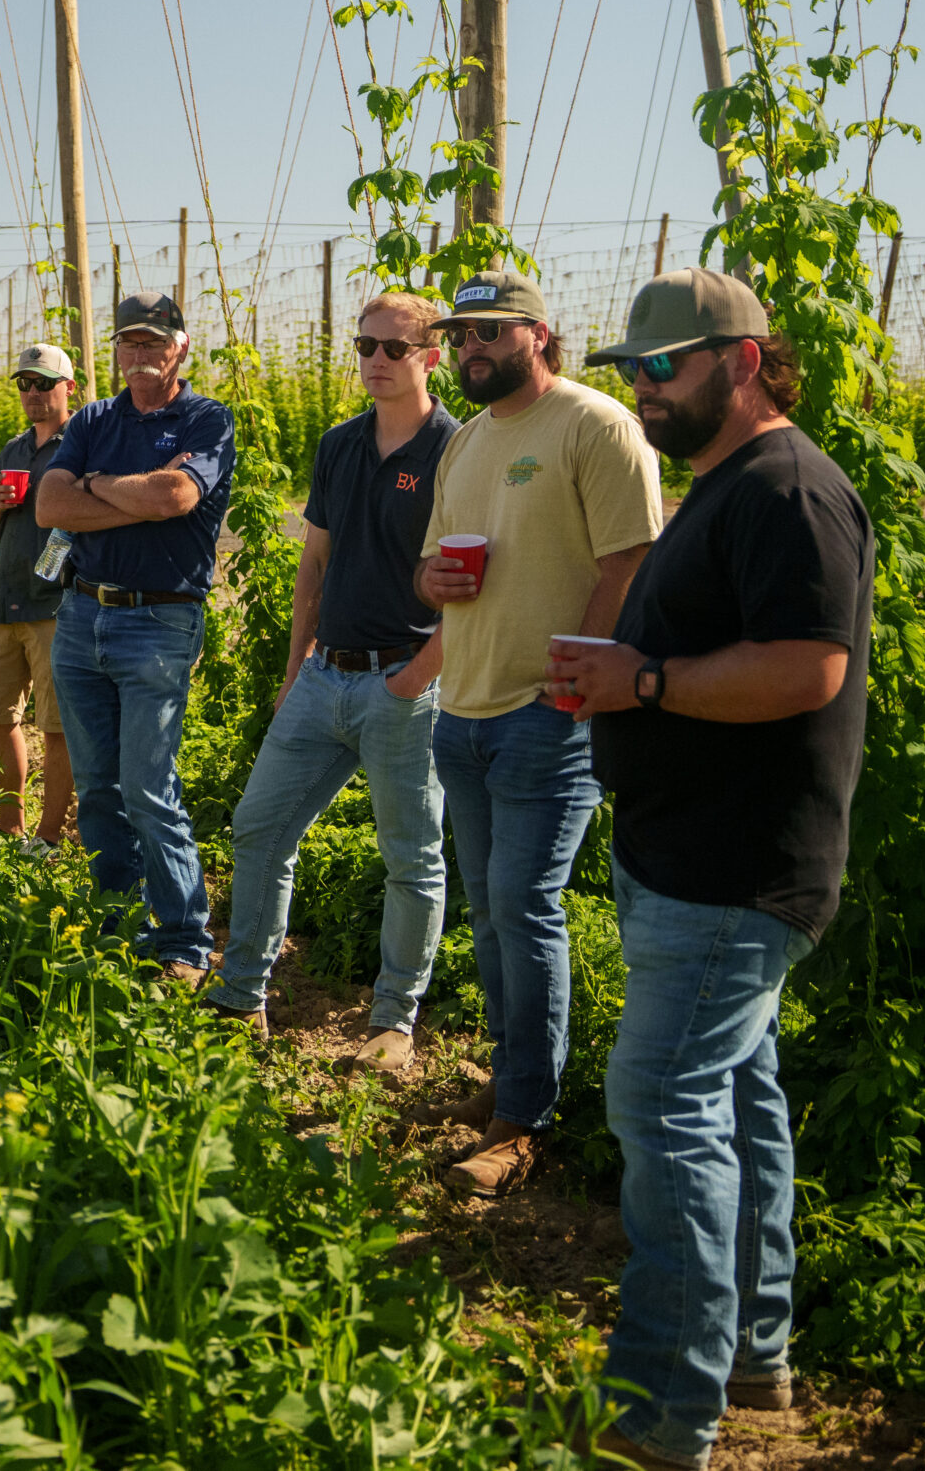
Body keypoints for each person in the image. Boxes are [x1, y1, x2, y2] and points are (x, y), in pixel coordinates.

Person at [548, 272, 870, 1471]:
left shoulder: (786, 489)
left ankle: (657, 1417)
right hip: (691, 853)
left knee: (662, 1106)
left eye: (664, 367)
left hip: (733, 870)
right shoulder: (724, 485)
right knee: (735, 1098)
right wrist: (619, 666)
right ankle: (751, 1357)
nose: (644, 389)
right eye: (633, 368)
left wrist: (641, 683)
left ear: (740, 361)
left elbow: (803, 669)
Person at [411, 268, 662, 1198]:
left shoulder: (594, 425)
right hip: (463, 711)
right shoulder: (466, 442)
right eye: (461, 335)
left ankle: (524, 1120)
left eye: (489, 332)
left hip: (543, 716)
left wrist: (576, 684)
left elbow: (630, 561)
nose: (471, 347)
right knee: (490, 915)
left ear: (537, 334)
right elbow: (431, 565)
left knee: (523, 906)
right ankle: (509, 1078)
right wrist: (432, 584)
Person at [212, 294, 455, 1066]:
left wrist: (419, 674)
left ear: (431, 356)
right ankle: (242, 995)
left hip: (403, 683)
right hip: (325, 676)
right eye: (365, 346)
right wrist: (295, 670)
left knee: (411, 856)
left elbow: (481, 578)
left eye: (395, 348)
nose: (376, 361)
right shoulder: (340, 444)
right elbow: (313, 561)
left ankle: (393, 1021)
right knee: (259, 827)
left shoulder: (457, 450)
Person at [36, 291, 237, 986]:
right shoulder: (94, 417)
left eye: (155, 342)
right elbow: (49, 505)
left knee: (149, 784)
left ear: (181, 346)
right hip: (83, 617)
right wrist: (125, 494)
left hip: (159, 619)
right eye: (130, 343)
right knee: (96, 785)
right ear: (116, 350)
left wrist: (96, 486)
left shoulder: (206, 419)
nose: (141, 354)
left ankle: (183, 939)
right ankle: (117, 921)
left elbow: (175, 499)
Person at [0, 343, 80, 853]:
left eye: (43, 383)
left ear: (68, 388)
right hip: (3, 604)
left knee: (57, 726)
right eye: (24, 384)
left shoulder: (83, 442)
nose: (32, 393)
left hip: (55, 606)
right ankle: (10, 824)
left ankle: (49, 834)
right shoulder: (14, 449)